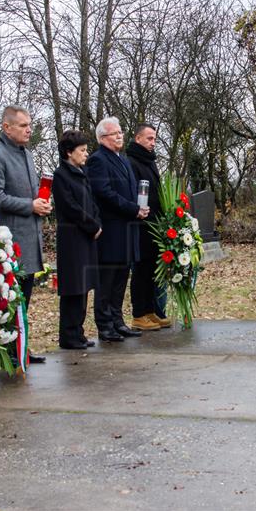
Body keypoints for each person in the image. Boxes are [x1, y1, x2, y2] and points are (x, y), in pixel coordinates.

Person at [0, 105, 49, 364]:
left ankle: (20, 347)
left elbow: (30, 194)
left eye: (29, 124)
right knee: (9, 300)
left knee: (24, 298)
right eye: (22, 125)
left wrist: (40, 204)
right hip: (10, 242)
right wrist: (29, 205)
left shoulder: (27, 155)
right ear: (6, 127)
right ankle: (8, 349)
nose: (29, 129)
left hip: (30, 239)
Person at [86, 117, 149, 342]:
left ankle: (117, 321)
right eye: (114, 133)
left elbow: (131, 191)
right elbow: (104, 193)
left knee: (121, 278)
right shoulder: (97, 160)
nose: (120, 136)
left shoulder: (122, 159)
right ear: (103, 138)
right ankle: (105, 326)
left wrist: (140, 208)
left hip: (127, 230)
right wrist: (133, 209)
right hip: (111, 232)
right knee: (107, 280)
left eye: (121, 132)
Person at [52, 130, 101, 349]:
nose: (86, 154)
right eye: (82, 150)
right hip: (73, 237)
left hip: (87, 236)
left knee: (84, 286)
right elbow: (70, 207)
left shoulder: (82, 172)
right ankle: (68, 335)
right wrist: (91, 225)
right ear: (69, 152)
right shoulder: (61, 176)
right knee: (73, 287)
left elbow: (91, 201)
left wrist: (97, 222)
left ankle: (78, 332)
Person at [126, 122, 171, 331]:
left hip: (155, 224)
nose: (153, 142)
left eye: (154, 138)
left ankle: (151, 310)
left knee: (152, 270)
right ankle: (139, 314)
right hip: (142, 223)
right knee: (141, 270)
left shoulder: (150, 161)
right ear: (138, 139)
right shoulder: (132, 161)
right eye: (149, 138)